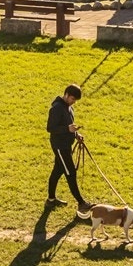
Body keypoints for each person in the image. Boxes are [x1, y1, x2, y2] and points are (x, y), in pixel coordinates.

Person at [46, 83, 88, 211]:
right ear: (66, 95)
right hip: (60, 146)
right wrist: (67, 129)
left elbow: (69, 126)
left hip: (66, 145)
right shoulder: (57, 109)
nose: (73, 102)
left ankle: (51, 200)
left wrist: (76, 134)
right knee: (70, 173)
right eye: (73, 99)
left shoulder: (68, 108)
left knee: (57, 172)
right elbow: (50, 128)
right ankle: (81, 203)